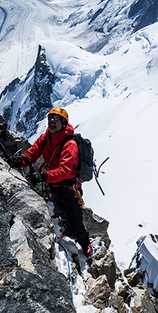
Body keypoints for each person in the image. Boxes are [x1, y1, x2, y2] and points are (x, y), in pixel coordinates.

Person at [15, 107, 92, 257]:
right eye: (50, 118)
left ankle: (85, 243)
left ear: (63, 123)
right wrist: (21, 162)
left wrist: (44, 177)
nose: (52, 121)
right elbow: (33, 152)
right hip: (53, 184)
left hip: (69, 189)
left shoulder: (70, 144)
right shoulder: (47, 137)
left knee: (75, 221)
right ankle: (68, 234)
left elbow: (65, 170)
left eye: (56, 119)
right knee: (59, 213)